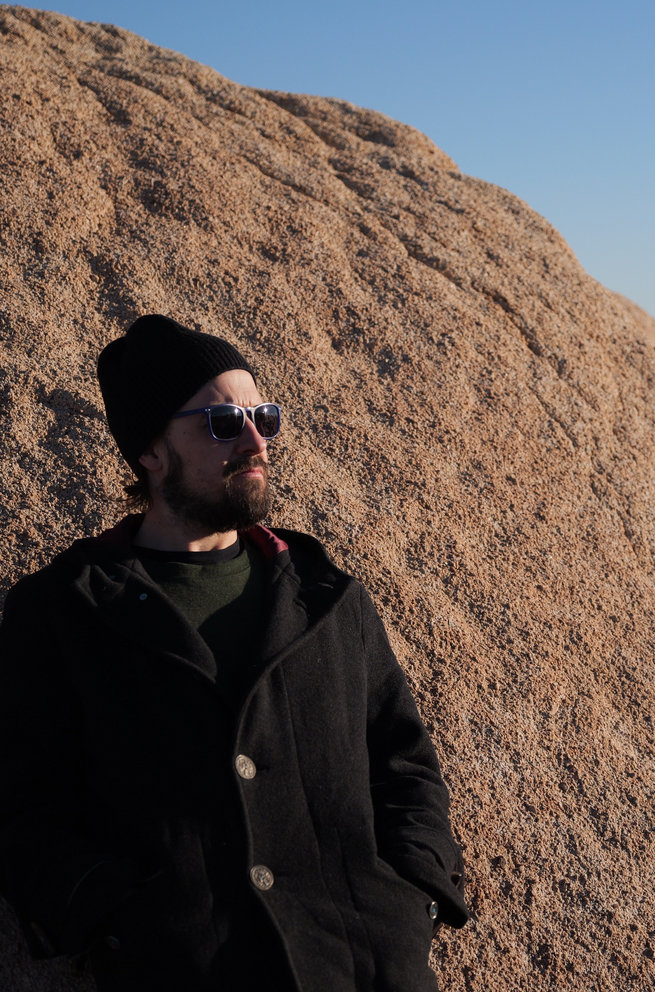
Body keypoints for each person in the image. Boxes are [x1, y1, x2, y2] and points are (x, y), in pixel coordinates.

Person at [0, 314, 468, 992]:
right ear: (150, 451)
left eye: (264, 417)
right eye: (223, 423)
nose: (255, 441)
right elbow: (23, 803)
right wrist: (124, 921)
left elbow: (406, 765)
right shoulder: (66, 612)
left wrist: (413, 894)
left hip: (369, 969)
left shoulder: (327, 598)